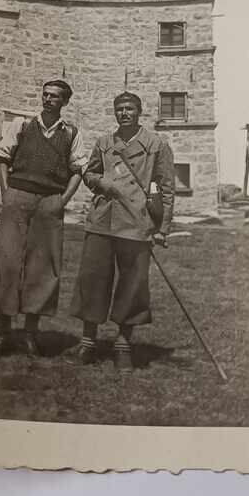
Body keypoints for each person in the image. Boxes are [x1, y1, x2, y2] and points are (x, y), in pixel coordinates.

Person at [0, 80, 88, 361]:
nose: (48, 99)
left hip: (49, 202)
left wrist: (62, 201)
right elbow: (3, 158)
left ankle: (30, 335)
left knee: (43, 268)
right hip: (18, 197)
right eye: (46, 94)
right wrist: (7, 194)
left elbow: (78, 170)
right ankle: (2, 335)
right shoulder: (23, 124)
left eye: (55, 97)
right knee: (8, 262)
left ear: (64, 102)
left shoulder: (72, 132)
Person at [68, 91, 175, 370]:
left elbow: (166, 189)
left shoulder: (156, 144)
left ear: (139, 112)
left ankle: (123, 344)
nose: (124, 113)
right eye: (119, 109)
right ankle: (88, 342)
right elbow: (88, 174)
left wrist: (162, 228)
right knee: (92, 280)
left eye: (129, 109)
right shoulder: (104, 143)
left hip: (137, 223)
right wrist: (103, 184)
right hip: (103, 220)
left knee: (133, 284)